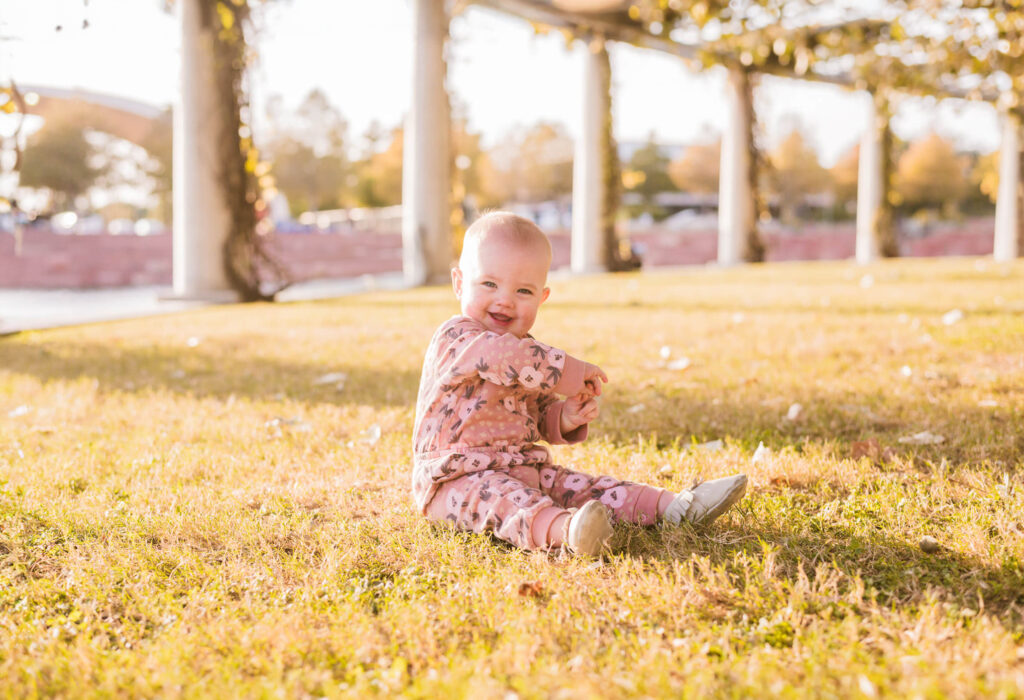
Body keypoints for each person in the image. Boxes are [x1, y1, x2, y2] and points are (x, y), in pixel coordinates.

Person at [411, 211, 747, 555]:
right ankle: (569, 531)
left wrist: (564, 416)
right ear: (459, 283)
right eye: (489, 284)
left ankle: (674, 506)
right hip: (454, 480)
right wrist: (568, 371)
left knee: (583, 486)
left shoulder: (527, 352)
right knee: (506, 503)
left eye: (523, 290)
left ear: (542, 298)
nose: (504, 300)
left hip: (524, 467)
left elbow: (538, 413)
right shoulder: (458, 337)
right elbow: (502, 358)